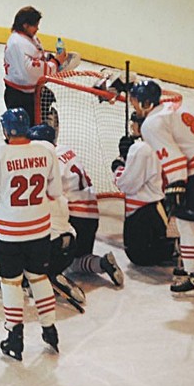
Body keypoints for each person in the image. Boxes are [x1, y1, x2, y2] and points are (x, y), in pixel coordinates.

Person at [0, 108, 62, 360]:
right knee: (39, 277)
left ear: (4, 130)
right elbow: (55, 191)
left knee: (11, 282)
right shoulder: (46, 152)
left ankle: (14, 336)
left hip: (9, 233)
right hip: (40, 230)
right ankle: (50, 330)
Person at [129, 80, 194, 295]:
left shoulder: (151, 124)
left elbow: (174, 158)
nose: (132, 104)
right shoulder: (168, 108)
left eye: (134, 100)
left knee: (186, 223)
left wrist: (176, 185)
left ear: (144, 103)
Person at [33, 117, 124, 288]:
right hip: (91, 217)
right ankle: (102, 263)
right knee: (76, 263)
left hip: (75, 219)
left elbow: (49, 194)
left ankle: (49, 273)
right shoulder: (65, 150)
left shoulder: (50, 161)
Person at [111, 118, 179, 267]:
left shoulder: (141, 149)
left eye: (134, 121)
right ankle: (178, 246)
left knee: (138, 256)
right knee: (139, 253)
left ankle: (181, 247)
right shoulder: (160, 142)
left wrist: (119, 165)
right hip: (158, 207)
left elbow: (127, 185)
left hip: (145, 211)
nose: (130, 124)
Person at [3, 6, 68, 122]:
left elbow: (38, 57)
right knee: (23, 131)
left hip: (32, 93)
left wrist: (51, 59)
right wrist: (56, 62)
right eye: (35, 25)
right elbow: (30, 71)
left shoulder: (30, 38)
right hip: (19, 97)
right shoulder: (17, 43)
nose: (37, 28)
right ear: (25, 25)